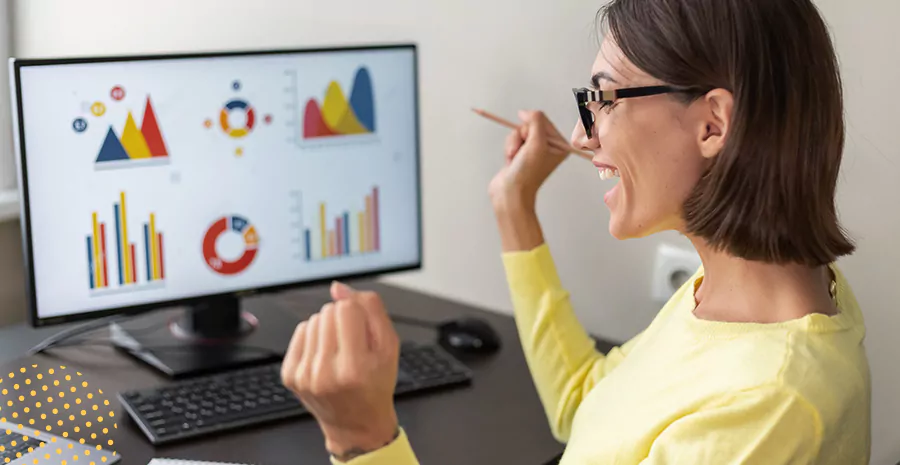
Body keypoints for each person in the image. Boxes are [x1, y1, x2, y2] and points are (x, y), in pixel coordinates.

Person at [280, 0, 872, 462]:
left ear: (713, 124)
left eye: (605, 100)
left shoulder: (765, 404)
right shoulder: (737, 293)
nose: (584, 136)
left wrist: (363, 437)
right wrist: (515, 208)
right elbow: (585, 408)